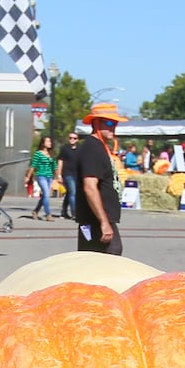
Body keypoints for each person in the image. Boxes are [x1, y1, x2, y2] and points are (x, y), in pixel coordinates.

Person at [74, 102, 128, 255]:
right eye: (109, 122)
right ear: (96, 122)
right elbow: (90, 187)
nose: (113, 127)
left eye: (115, 123)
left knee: (104, 258)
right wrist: (103, 222)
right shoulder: (92, 148)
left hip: (101, 218)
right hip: (95, 220)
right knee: (105, 257)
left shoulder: (99, 147)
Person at [26, 135, 56, 220]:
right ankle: (48, 214)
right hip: (41, 175)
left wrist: (58, 176)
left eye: (50, 141)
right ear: (43, 143)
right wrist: (28, 176)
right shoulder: (38, 154)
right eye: (47, 141)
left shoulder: (51, 154)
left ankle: (35, 211)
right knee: (46, 194)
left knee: (45, 196)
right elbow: (33, 166)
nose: (49, 143)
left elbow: (55, 166)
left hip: (50, 176)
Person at [56, 130, 81, 220]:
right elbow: (60, 161)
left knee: (70, 193)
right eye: (70, 138)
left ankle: (63, 212)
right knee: (73, 193)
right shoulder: (64, 148)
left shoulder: (80, 149)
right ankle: (75, 213)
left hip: (77, 174)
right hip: (67, 173)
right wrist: (59, 175)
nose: (72, 140)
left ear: (77, 139)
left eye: (74, 138)